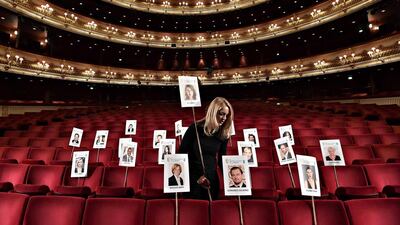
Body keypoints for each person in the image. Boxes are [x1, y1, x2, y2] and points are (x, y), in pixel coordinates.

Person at [179, 97, 233, 200]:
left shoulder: (223, 133)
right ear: (213, 112)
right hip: (193, 180)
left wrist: (231, 179)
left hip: (212, 180)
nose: (224, 118)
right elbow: (182, 155)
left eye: (227, 115)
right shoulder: (195, 128)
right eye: (221, 113)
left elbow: (222, 160)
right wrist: (195, 177)